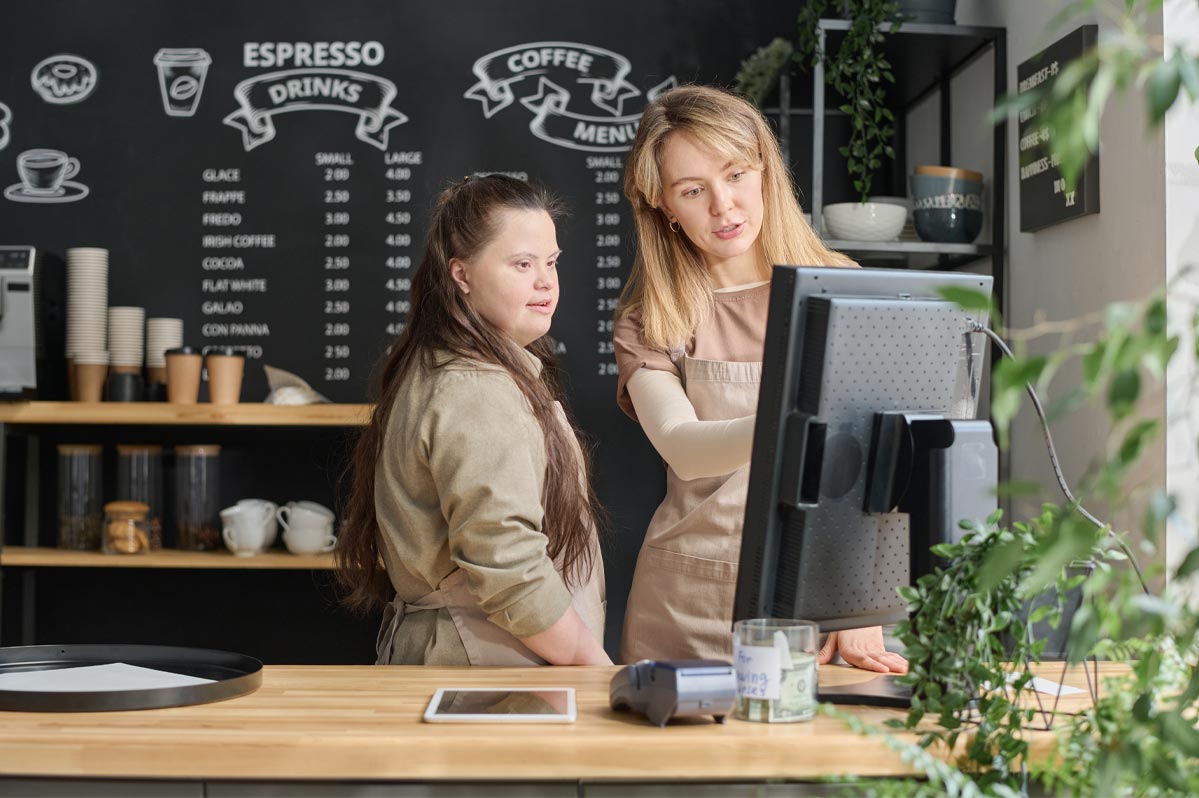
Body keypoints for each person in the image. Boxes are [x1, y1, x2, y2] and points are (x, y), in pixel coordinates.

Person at [613, 85, 909, 675]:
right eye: (693, 191)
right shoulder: (652, 317)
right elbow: (683, 448)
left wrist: (863, 604)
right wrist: (797, 418)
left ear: (767, 173)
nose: (723, 207)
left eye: (737, 175)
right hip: (688, 603)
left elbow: (885, 456)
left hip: (825, 604)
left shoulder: (845, 286)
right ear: (665, 207)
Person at [338, 174, 611, 667]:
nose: (546, 281)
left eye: (550, 263)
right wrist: (592, 667)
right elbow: (510, 567)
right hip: (483, 661)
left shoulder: (444, 366)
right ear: (461, 274)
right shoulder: (476, 389)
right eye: (522, 264)